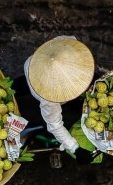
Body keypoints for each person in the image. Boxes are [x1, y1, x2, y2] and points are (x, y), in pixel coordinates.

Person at [15, 36, 97, 165]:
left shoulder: (65, 44)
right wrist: (75, 148)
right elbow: (55, 126)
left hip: (33, 64)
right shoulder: (49, 99)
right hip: (36, 80)